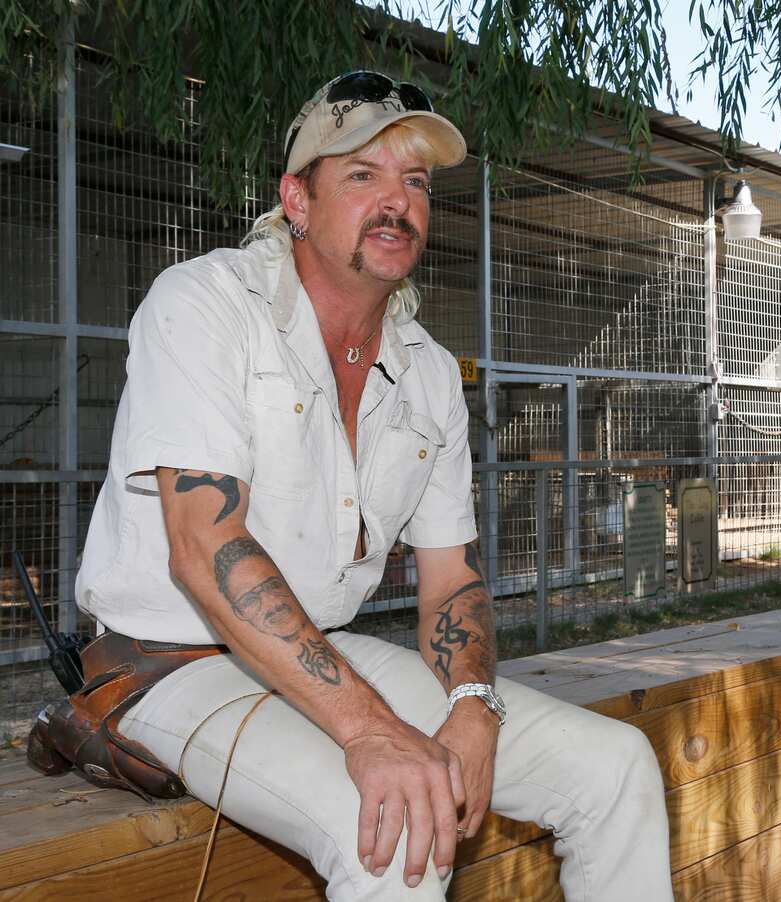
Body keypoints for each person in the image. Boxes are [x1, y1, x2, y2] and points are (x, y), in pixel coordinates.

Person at [75, 71, 673, 901]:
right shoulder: (205, 303)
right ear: (297, 198)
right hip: (171, 665)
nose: (398, 202)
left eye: (416, 182)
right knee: (395, 834)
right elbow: (203, 545)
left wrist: (470, 703)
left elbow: (452, 578)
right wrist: (373, 734)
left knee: (616, 769)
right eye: (363, 175)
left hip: (322, 647)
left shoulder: (426, 370)